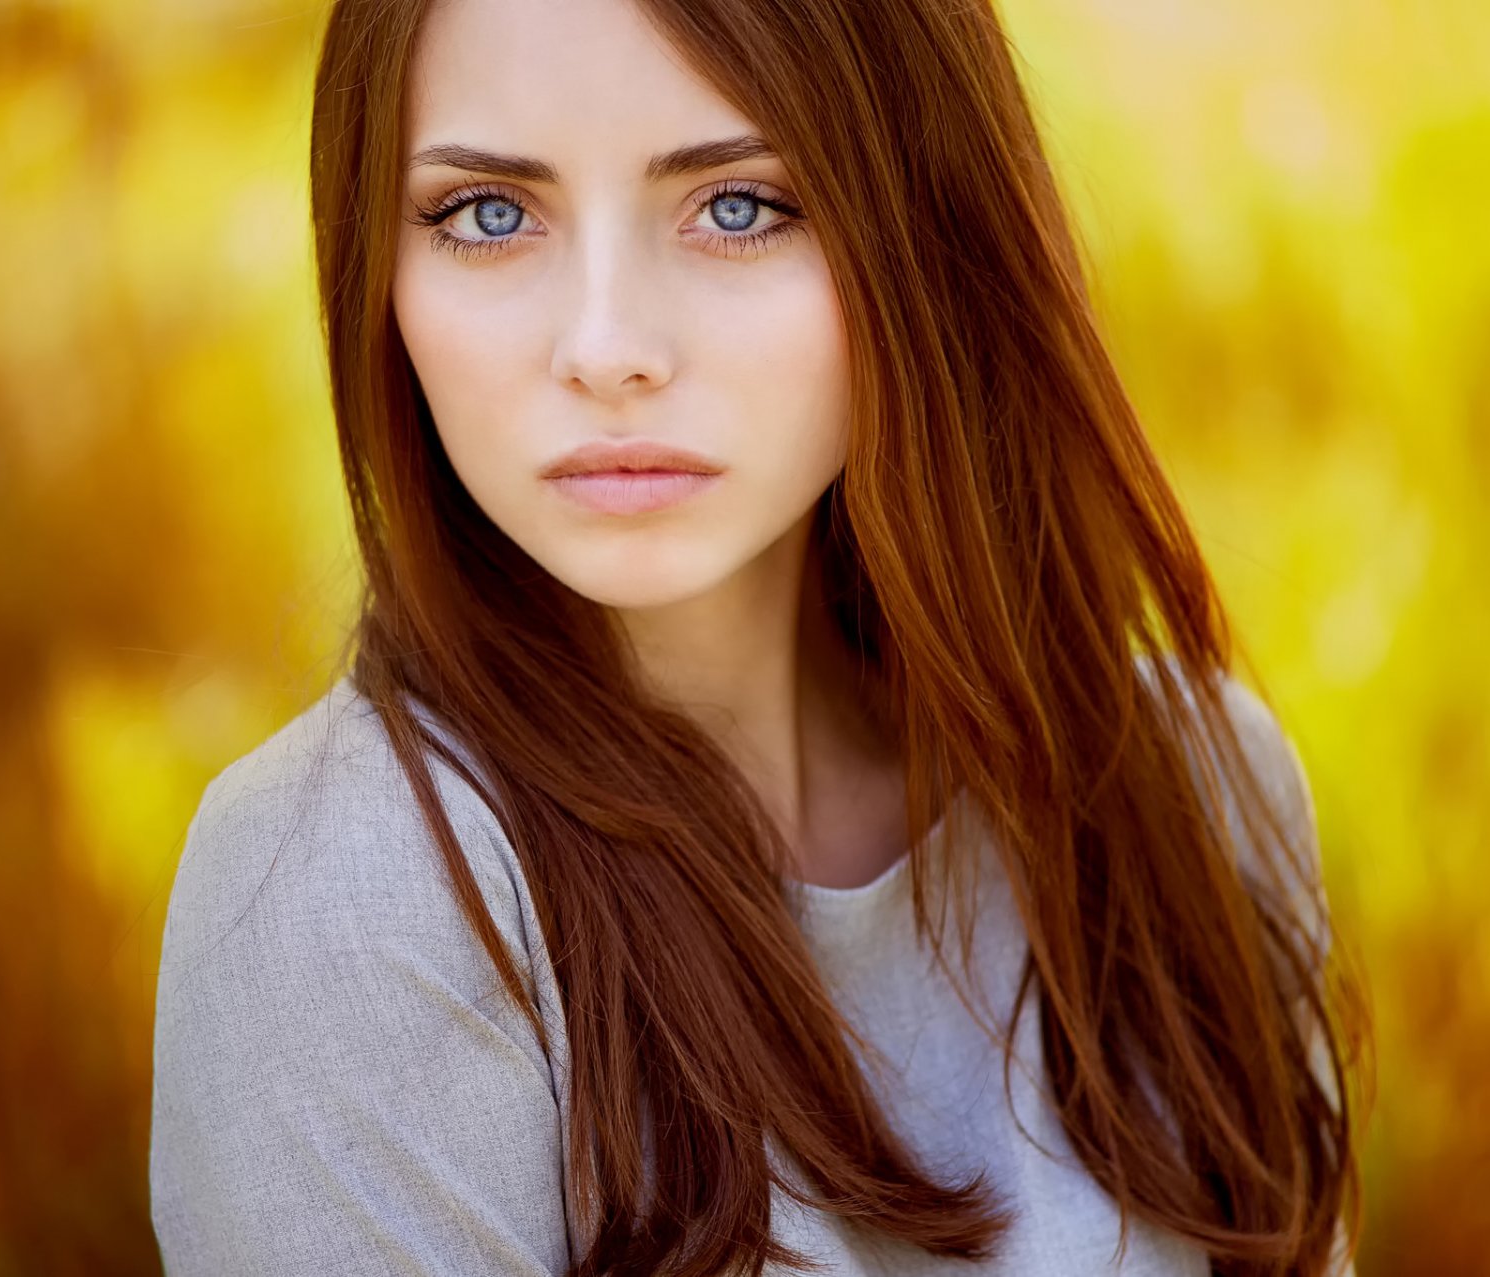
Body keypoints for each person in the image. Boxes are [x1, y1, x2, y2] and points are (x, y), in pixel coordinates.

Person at [148, 0, 1370, 1272]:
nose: (608, 348)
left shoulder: (1186, 783)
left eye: (737, 207)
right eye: (491, 215)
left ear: (924, 223)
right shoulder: (345, 891)